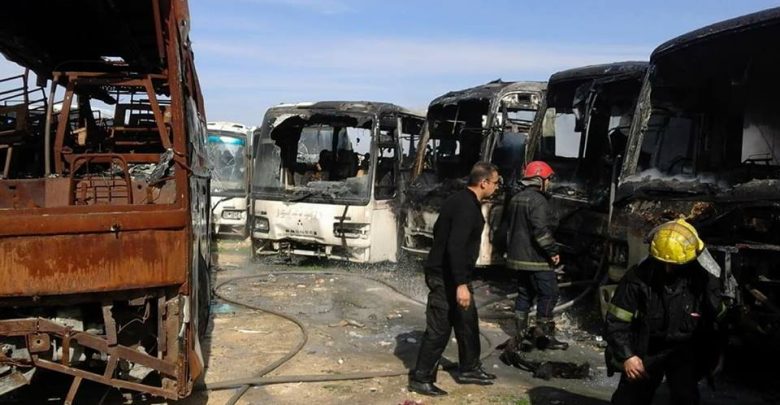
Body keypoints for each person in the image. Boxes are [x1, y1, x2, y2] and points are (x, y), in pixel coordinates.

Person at [605, 218, 727, 405]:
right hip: (646, 347)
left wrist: (716, 356)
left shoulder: (704, 282)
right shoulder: (638, 279)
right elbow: (616, 321)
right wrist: (628, 356)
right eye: (662, 263)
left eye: (675, 265)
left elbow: (717, 323)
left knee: (685, 397)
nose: (668, 269)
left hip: (684, 350)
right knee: (629, 399)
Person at [408, 162, 501, 396]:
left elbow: (441, 232)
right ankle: (421, 378)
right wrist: (460, 284)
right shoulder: (465, 206)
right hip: (445, 275)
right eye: (495, 182)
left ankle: (470, 368)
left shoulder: (461, 200)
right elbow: (455, 246)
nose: (497, 187)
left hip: (456, 274)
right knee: (440, 328)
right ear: (484, 182)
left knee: (467, 320)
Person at [504, 161, 568, 351]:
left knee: (524, 294)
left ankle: (520, 335)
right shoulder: (539, 200)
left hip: (517, 257)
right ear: (540, 180)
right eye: (548, 179)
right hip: (536, 259)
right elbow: (540, 231)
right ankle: (544, 338)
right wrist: (553, 251)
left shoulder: (516, 198)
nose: (549, 183)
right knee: (549, 293)